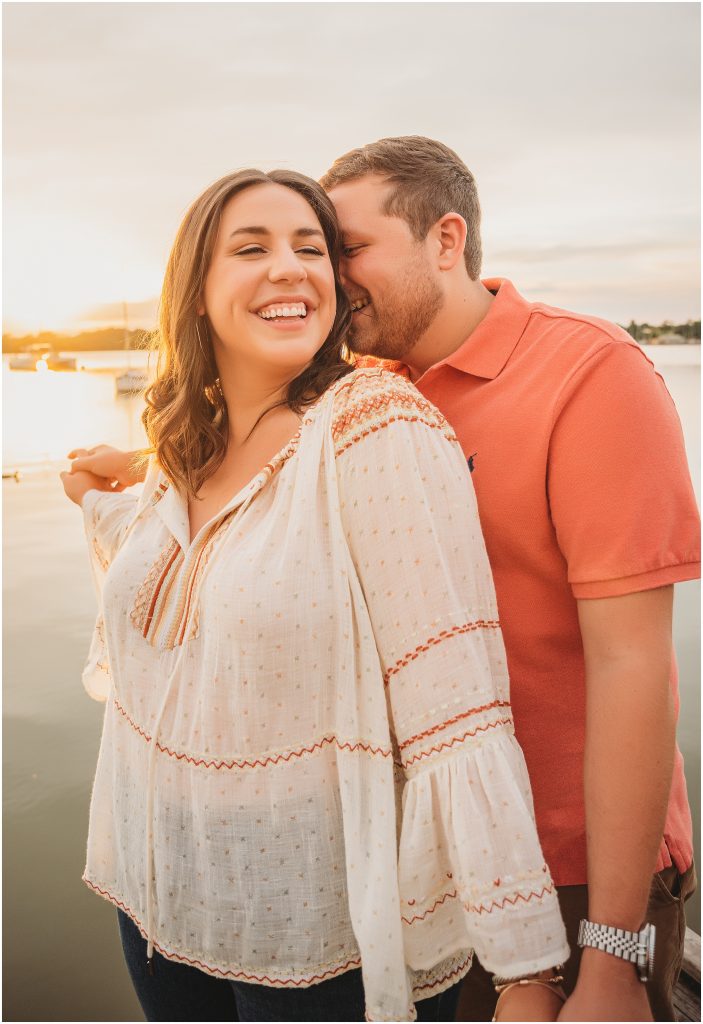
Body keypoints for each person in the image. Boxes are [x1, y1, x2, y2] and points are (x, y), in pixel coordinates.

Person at [80, 138, 700, 1022]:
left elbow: (632, 665)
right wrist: (147, 469)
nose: (324, 274)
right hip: (406, 850)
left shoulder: (587, 376)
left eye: (343, 248)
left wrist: (610, 950)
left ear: (445, 240)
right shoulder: (360, 380)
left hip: (566, 861)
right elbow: (274, 496)